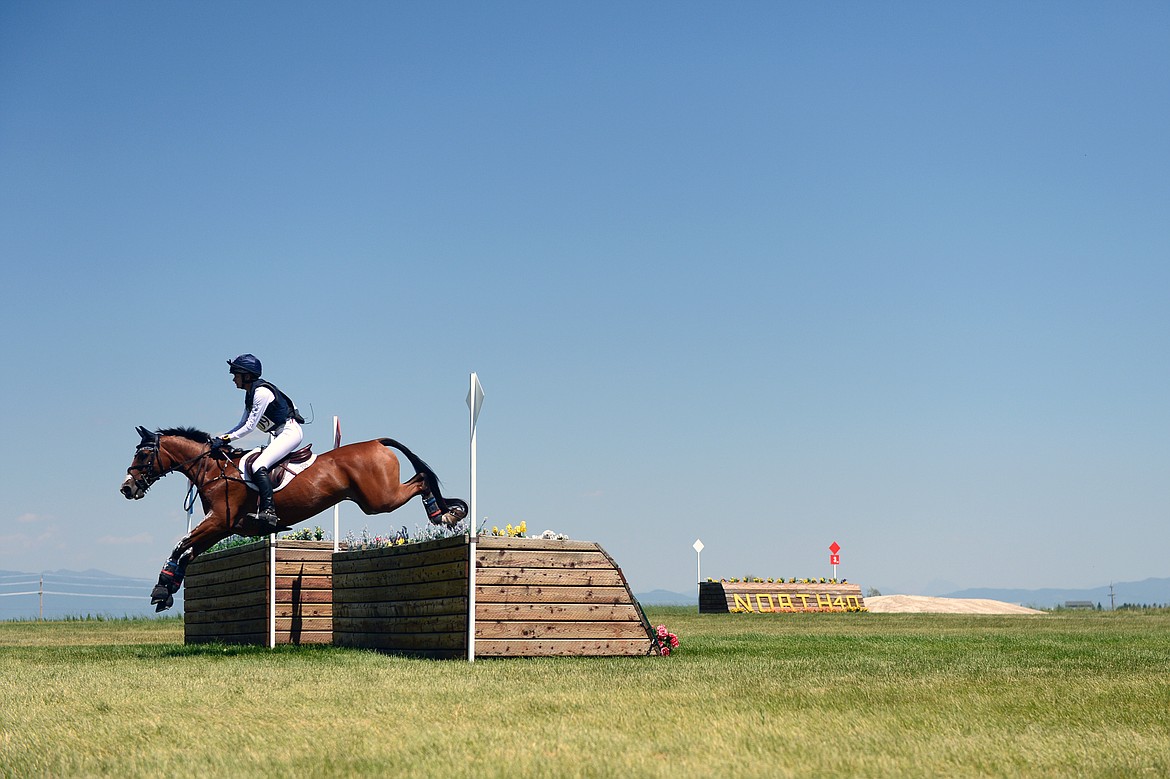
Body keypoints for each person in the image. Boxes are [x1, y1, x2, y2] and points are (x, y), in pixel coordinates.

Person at [215, 354, 304, 530]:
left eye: (236, 374)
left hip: (289, 432)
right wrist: (221, 437)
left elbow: (249, 427)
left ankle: (269, 511)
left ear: (246, 375)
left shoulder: (261, 393)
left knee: (258, 465)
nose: (233, 379)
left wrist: (226, 439)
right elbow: (241, 424)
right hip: (279, 433)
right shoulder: (250, 394)